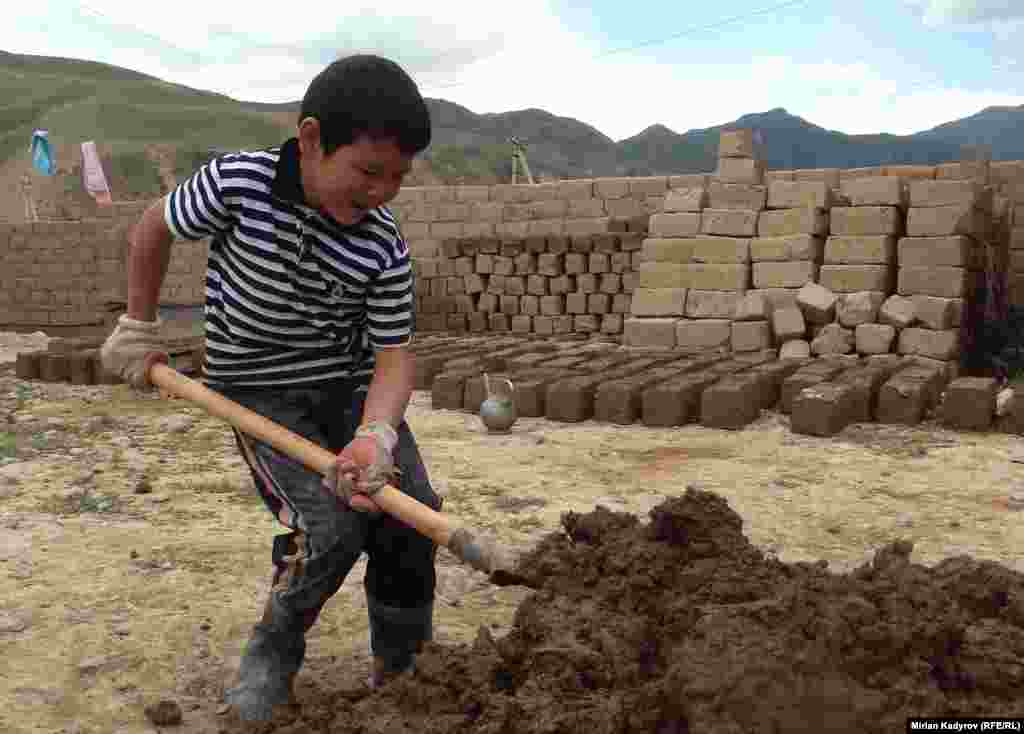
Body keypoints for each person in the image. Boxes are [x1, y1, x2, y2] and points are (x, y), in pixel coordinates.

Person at [99, 54, 441, 722]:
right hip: (255, 393)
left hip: (342, 387)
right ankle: (272, 654)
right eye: (369, 172)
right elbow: (153, 227)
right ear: (311, 139)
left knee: (408, 512)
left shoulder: (383, 242)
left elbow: (395, 355)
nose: (381, 192)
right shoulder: (237, 184)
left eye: (398, 178)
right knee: (331, 527)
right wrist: (137, 325)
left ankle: (405, 667)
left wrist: (375, 435)